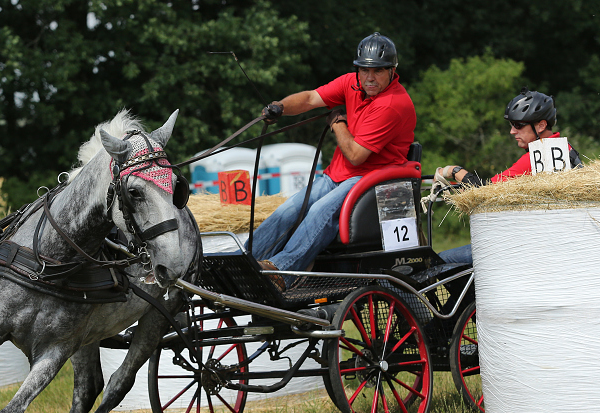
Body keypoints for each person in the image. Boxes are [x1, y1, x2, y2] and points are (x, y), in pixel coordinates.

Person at [249, 32, 416, 290]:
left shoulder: (393, 104)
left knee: (319, 211)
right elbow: (310, 98)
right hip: (339, 174)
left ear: (393, 70)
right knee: (289, 209)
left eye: (379, 71)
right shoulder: (351, 83)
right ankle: (245, 261)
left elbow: (356, 155)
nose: (370, 77)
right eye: (364, 70)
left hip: (374, 179)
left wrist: (337, 122)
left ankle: (282, 271)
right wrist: (279, 107)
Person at [437, 88, 583, 265]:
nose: (512, 132)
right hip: (554, 242)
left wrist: (453, 171)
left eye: (519, 125)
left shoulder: (535, 158)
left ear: (541, 125)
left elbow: (484, 190)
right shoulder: (566, 149)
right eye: (512, 125)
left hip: (527, 247)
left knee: (443, 260)